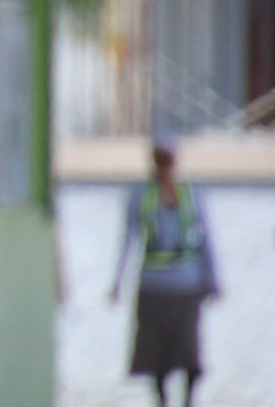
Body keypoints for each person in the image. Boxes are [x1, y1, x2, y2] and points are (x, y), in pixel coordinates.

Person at [110, 136, 219, 407]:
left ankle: (189, 400)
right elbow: (128, 238)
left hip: (187, 285)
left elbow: (206, 238)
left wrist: (212, 279)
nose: (165, 168)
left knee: (189, 351)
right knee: (156, 353)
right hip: (153, 287)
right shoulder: (141, 195)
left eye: (168, 162)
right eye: (160, 162)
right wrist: (118, 281)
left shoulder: (191, 193)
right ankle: (162, 401)